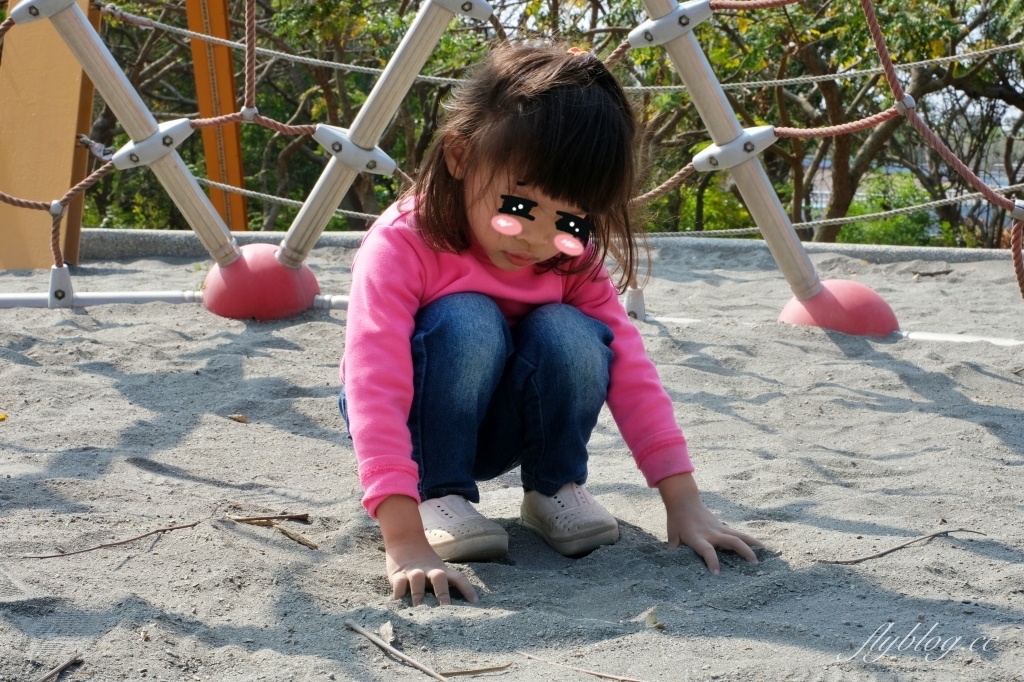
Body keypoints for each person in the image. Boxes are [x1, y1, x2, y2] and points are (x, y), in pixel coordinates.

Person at [338, 42, 761, 606]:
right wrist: (404, 539)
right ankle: (436, 494)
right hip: (424, 425)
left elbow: (630, 369)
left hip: (509, 420)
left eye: (569, 220)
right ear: (461, 157)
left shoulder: (570, 261)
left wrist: (683, 501)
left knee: (573, 332)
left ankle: (552, 488)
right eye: (518, 209)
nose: (540, 238)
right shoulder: (404, 242)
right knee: (468, 318)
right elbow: (374, 379)